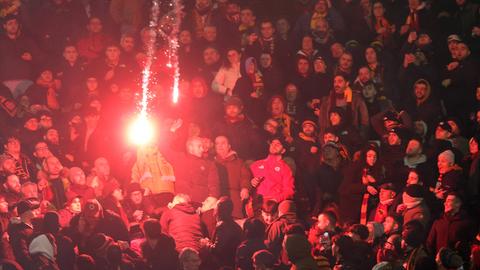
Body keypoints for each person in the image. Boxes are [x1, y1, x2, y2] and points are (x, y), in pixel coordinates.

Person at [201, 196, 244, 268]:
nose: (214, 209)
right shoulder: (235, 226)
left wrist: (206, 244)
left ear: (219, 210)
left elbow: (217, 249)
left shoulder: (223, 227)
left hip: (223, 266)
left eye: (215, 207)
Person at [214, 135, 250, 218]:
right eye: (217, 143)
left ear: (229, 146)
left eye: (223, 143)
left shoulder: (239, 162)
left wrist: (245, 188)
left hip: (234, 198)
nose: (220, 146)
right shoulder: (212, 162)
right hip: (217, 199)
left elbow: (245, 177)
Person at [250, 138, 295, 203]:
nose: (274, 145)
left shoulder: (285, 168)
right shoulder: (256, 165)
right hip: (256, 202)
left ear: (283, 150)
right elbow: (245, 182)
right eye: (272, 143)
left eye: (278, 144)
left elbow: (289, 191)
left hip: (274, 203)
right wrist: (251, 182)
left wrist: (276, 199)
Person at [8, 198, 40, 269]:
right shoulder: (19, 231)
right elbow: (23, 255)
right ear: (25, 213)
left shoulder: (34, 225)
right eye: (32, 210)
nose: (37, 212)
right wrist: (36, 266)